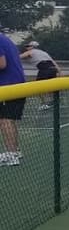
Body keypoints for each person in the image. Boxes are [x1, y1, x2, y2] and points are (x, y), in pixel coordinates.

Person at [0, 31, 26, 166]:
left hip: (8, 86)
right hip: (16, 85)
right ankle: (14, 151)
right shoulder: (5, 39)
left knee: (5, 120)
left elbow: (1, 63)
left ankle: (11, 154)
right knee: (8, 119)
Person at [20, 41, 59, 111]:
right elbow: (54, 62)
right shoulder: (44, 53)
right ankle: (53, 101)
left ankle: (45, 104)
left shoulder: (31, 51)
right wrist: (59, 71)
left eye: (28, 46)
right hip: (53, 69)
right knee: (50, 87)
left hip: (44, 68)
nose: (27, 48)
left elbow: (19, 57)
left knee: (38, 87)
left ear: (33, 47)